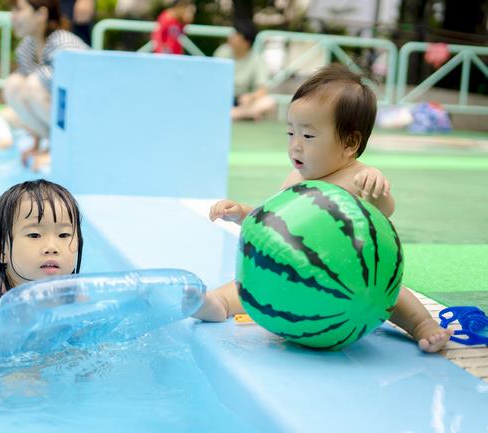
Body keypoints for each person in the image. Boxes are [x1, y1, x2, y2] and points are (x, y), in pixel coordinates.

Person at [194, 64, 454, 353]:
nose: (295, 146)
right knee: (251, 283)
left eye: (307, 136)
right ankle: (219, 303)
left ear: (349, 143)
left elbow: (386, 211)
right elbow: (275, 226)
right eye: (290, 133)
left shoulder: (359, 178)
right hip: (301, 274)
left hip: (353, 277)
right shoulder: (296, 179)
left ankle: (421, 324)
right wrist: (242, 213)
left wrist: (376, 190)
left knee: (389, 292)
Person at [0, 179, 84, 342]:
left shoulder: (73, 294)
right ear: (3, 250)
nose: (52, 247)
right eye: (34, 235)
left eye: (64, 235)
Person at [3, 0, 89, 171]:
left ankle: (61, 149)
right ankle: (49, 144)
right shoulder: (26, 47)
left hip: (88, 121)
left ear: (41, 14)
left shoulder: (64, 45)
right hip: (68, 121)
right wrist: (36, 145)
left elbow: (83, 98)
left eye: (18, 10)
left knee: (34, 84)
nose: (12, 16)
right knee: (13, 85)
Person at [214, 20, 276, 121]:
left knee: (269, 102)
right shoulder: (222, 51)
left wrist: (251, 97)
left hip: (241, 101)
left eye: (236, 35)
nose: (231, 37)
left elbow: (262, 89)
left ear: (246, 42)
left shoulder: (257, 60)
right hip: (220, 97)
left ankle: (234, 114)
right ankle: (244, 115)